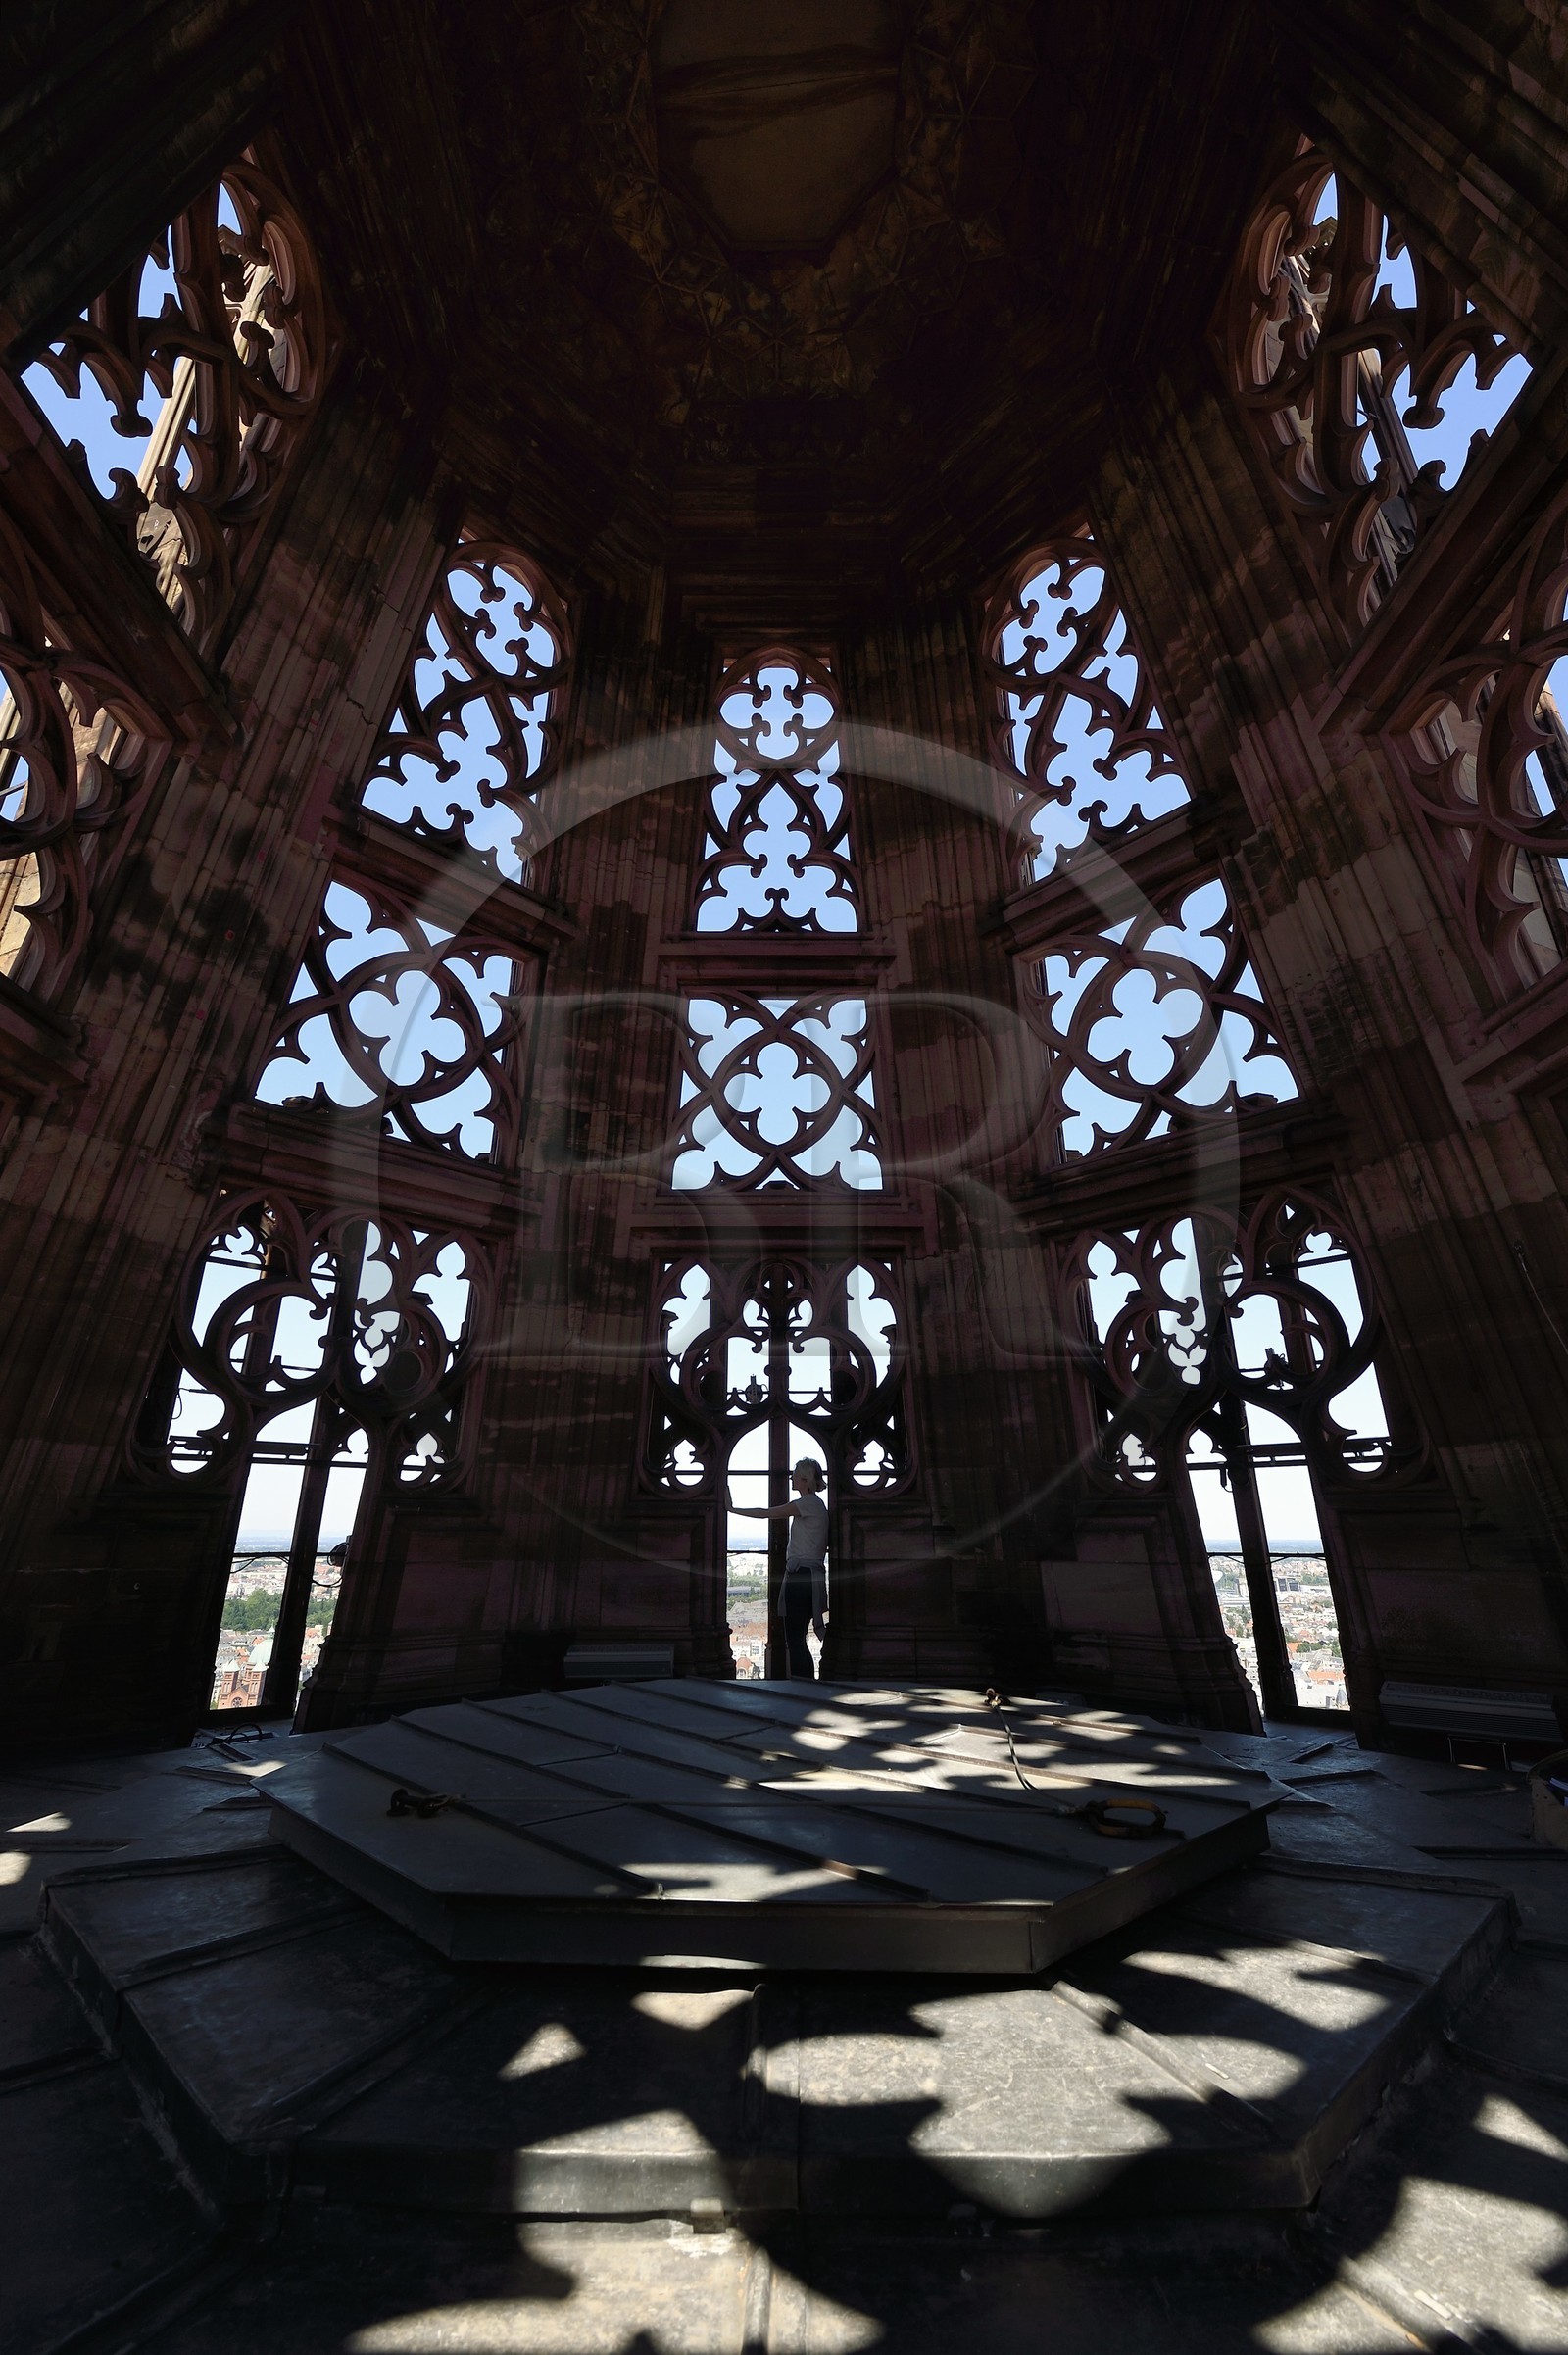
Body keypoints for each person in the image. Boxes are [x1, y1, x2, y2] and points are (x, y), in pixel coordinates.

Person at [727, 1458, 828, 1679]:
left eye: (795, 1474)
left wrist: (733, 1510)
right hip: (809, 1576)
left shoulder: (809, 1503)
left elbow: (768, 1512)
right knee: (798, 1636)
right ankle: (806, 1685)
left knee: (794, 1637)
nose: (791, 1477)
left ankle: (802, 1686)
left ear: (804, 1479)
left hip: (801, 1576)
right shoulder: (815, 1504)